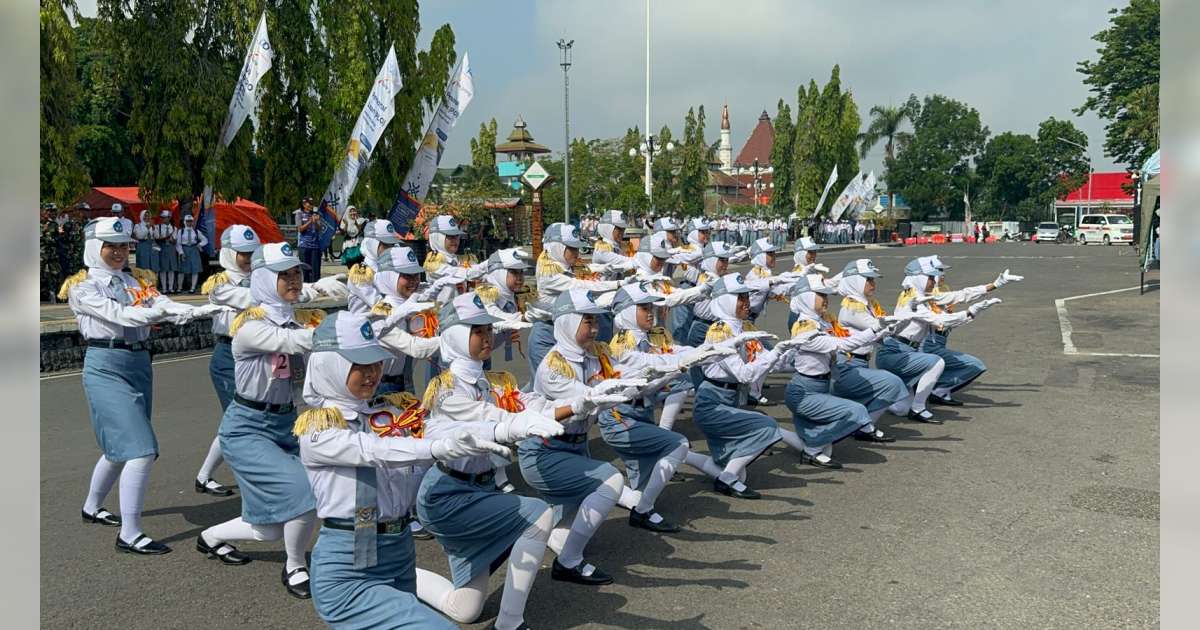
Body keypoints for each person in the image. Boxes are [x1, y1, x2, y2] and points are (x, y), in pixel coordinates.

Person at [297, 310, 497, 629]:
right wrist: (433, 449)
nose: (372, 372)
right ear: (330, 365)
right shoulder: (317, 429)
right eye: (359, 364)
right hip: (349, 568)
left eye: (375, 362)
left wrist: (506, 429)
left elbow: (438, 430)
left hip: (399, 549)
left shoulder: (388, 412)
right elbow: (374, 451)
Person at [414, 293, 577, 629]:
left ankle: (395, 572)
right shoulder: (445, 390)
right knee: (537, 516)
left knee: (465, 609)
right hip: (449, 494)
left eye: (488, 329)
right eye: (476, 330)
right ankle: (510, 623)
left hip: (481, 490)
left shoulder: (491, 379)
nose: (487, 337)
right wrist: (521, 423)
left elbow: (524, 406)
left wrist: (583, 402)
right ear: (457, 336)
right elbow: (491, 417)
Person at [63, 217, 223, 555]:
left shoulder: (134, 279)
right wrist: (162, 313)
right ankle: (130, 533)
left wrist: (199, 310)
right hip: (106, 365)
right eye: (112, 246)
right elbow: (122, 316)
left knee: (119, 447)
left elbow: (159, 303)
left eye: (124, 246)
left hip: (138, 363)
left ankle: (92, 507)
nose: (120, 252)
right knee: (141, 448)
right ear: (95, 248)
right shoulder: (83, 287)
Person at [197, 242, 328, 598]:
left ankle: (210, 537)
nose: (293, 280)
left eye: (296, 272)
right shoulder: (251, 326)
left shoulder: (293, 318)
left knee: (269, 528)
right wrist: (342, 332)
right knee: (306, 492)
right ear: (263, 280)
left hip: (286, 424)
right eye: (282, 274)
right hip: (248, 428)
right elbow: (294, 342)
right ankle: (296, 565)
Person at [522, 290, 646, 585]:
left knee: (568, 520)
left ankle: (537, 539)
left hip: (577, 448)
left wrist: (672, 367)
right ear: (566, 322)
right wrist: (631, 384)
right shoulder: (553, 366)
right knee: (610, 481)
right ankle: (568, 563)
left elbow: (629, 368)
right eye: (587, 321)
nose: (595, 328)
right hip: (545, 452)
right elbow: (594, 398)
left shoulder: (595, 353)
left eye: (595, 321)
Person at [605, 283, 731, 529]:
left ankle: (621, 496)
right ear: (628, 312)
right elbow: (650, 372)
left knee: (642, 483)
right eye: (643, 307)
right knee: (676, 444)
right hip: (620, 416)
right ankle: (641, 512)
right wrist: (684, 363)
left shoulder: (654, 335)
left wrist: (709, 350)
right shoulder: (621, 345)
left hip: (642, 412)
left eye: (651, 306)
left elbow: (677, 351)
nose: (651, 311)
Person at [692, 273, 811, 499]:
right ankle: (725, 479)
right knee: (766, 426)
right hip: (713, 402)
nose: (747, 302)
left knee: (743, 462)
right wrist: (775, 354)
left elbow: (767, 362)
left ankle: (704, 465)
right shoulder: (721, 332)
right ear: (725, 300)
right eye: (740, 297)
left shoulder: (743, 327)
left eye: (747, 296)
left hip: (733, 398)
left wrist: (792, 353)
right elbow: (745, 374)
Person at [784, 274, 903, 469]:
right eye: (821, 295)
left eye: (826, 295)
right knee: (857, 412)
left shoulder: (822, 321)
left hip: (821, 386)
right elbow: (845, 344)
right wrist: (874, 329)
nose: (826, 300)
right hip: (805, 391)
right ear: (806, 297)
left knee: (826, 444)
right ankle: (811, 451)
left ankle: (804, 443)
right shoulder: (806, 328)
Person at [876, 257, 1001, 424]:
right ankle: (918, 407)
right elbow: (940, 320)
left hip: (908, 351)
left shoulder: (922, 296)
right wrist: (971, 311)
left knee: (900, 410)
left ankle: (886, 393)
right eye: (930, 276)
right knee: (936, 362)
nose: (933, 280)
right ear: (919, 277)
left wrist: (974, 308)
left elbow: (952, 305)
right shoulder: (913, 300)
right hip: (895, 351)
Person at [526, 223, 630, 375]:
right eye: (572, 248)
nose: (577, 252)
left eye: (577, 248)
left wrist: (617, 269)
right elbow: (580, 286)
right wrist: (619, 284)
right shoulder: (548, 273)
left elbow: (592, 270)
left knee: (572, 379)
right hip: (547, 335)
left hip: (568, 336)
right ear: (558, 247)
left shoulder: (567, 267)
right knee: (552, 385)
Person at [918, 255, 1022, 405]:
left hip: (941, 338)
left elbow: (961, 296)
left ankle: (934, 390)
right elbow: (949, 313)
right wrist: (970, 312)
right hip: (928, 340)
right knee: (973, 365)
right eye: (938, 271)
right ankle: (936, 390)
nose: (942, 274)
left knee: (946, 366)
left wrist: (995, 285)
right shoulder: (925, 296)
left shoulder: (942, 289)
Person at [831, 259, 911, 442]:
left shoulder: (867, 304)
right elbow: (882, 331)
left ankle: (857, 417)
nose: (873, 284)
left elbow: (887, 326)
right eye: (869, 280)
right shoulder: (853, 308)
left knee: (902, 405)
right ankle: (864, 427)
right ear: (855, 281)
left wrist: (907, 315)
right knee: (892, 383)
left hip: (861, 363)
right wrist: (909, 313)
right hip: (847, 366)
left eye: (873, 280)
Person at [346, 219, 403, 316]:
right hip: (366, 326)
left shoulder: (391, 267)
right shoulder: (360, 272)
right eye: (385, 244)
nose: (391, 248)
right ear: (372, 244)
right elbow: (379, 304)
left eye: (392, 244)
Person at [175, 214, 208, 293]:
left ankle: (193, 288)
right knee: (182, 270)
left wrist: (199, 245)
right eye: (187, 221)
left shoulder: (196, 231)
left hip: (194, 250)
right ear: (184, 222)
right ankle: (179, 287)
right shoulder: (181, 231)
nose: (189, 223)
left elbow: (205, 240)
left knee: (195, 269)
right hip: (184, 249)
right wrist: (181, 253)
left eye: (190, 221)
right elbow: (178, 243)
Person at [296, 197, 323, 283]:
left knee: (315, 269)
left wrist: (315, 222)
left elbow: (320, 228)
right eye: (309, 203)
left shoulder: (316, 214)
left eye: (312, 203)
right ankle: (305, 286)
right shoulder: (299, 214)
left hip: (315, 246)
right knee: (305, 269)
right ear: (304, 204)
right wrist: (310, 221)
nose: (311, 205)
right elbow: (300, 229)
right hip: (304, 245)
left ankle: (316, 286)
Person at [154, 210, 178, 293]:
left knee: (171, 269)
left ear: (169, 218)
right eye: (162, 217)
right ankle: (164, 288)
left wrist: (172, 240)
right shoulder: (158, 227)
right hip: (162, 248)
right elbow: (156, 237)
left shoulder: (174, 228)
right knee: (163, 269)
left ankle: (170, 288)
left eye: (165, 217)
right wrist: (165, 237)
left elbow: (175, 241)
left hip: (171, 248)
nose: (163, 219)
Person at [132, 207, 155, 272]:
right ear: (142, 216)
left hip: (151, 246)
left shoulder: (151, 225)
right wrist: (147, 228)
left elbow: (155, 236)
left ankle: (151, 281)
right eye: (145, 216)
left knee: (152, 264)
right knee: (143, 265)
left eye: (148, 216)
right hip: (142, 246)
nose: (147, 217)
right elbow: (140, 236)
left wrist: (153, 228)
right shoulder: (137, 225)